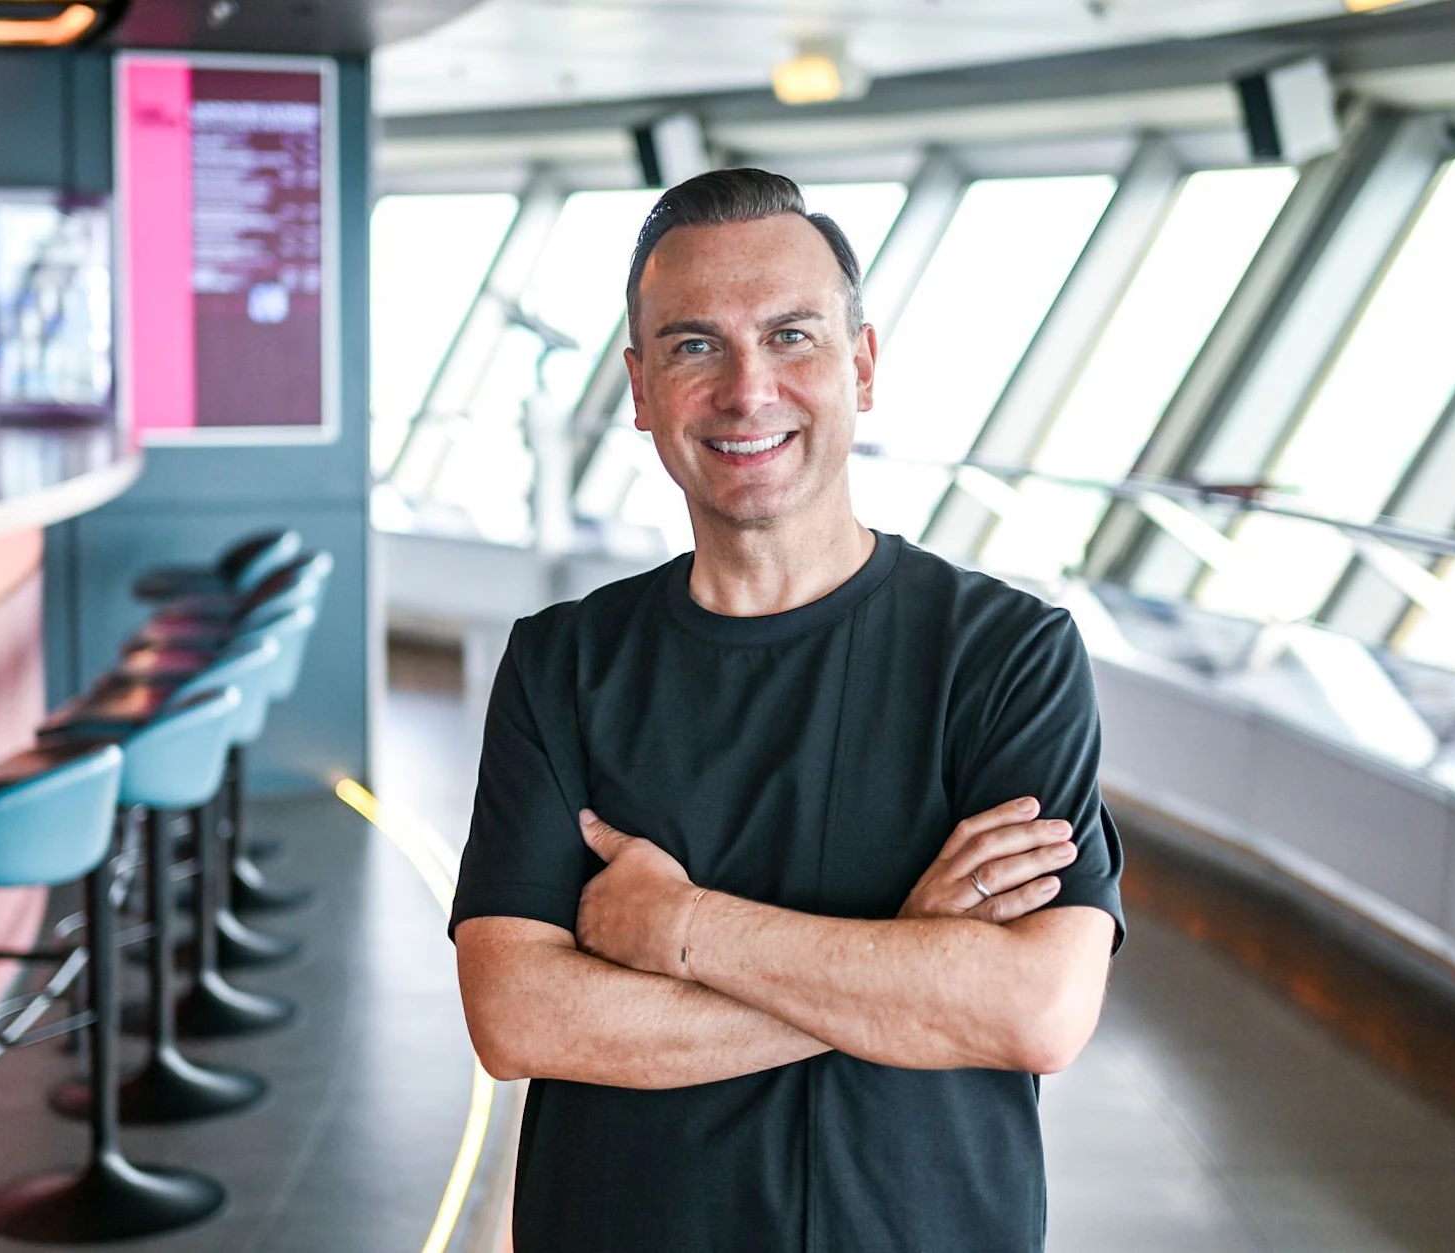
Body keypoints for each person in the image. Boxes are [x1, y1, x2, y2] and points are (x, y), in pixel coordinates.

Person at [450, 167, 1124, 1252]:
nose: (746, 389)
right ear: (637, 386)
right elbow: (518, 1016)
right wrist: (902, 965)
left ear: (860, 364)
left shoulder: (1004, 653)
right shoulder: (562, 662)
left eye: (791, 336)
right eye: (691, 345)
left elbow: (1032, 1008)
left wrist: (678, 930)